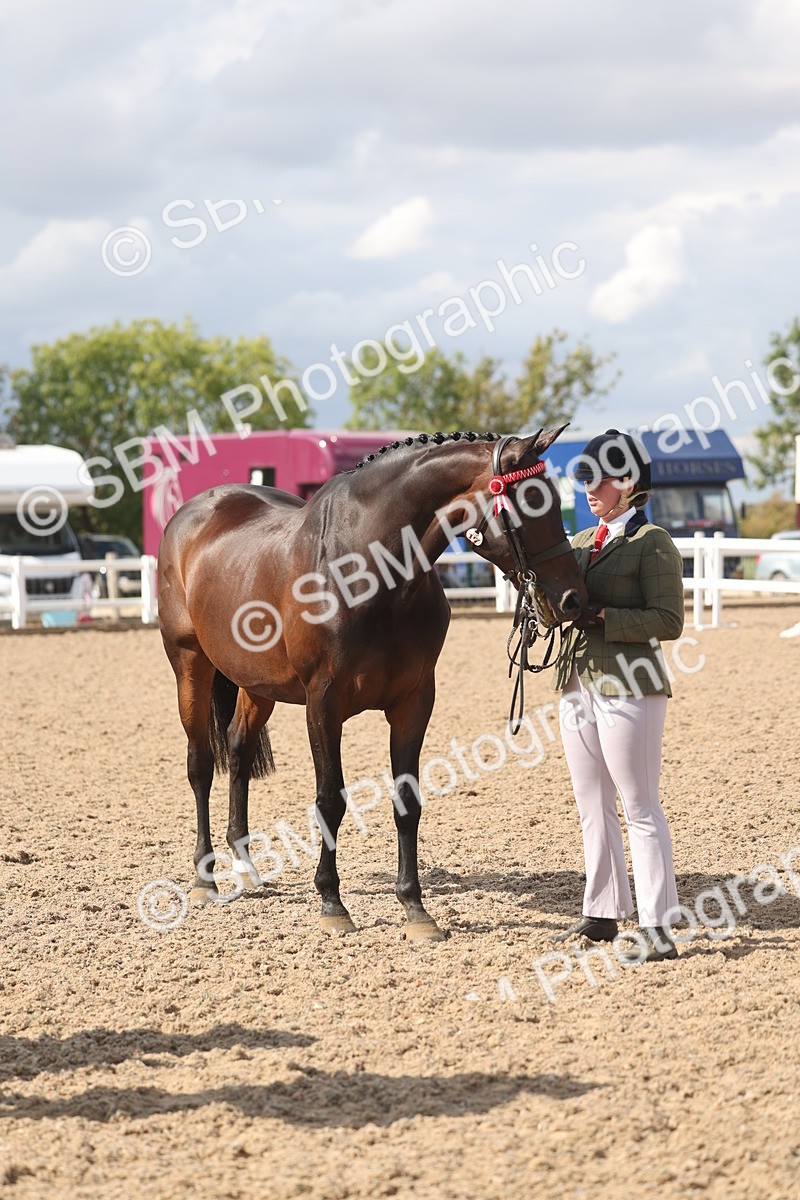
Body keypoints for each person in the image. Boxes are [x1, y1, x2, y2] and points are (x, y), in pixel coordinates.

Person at [552, 430, 685, 962]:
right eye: (586, 477)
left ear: (628, 484)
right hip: (576, 681)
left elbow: (669, 619)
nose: (590, 487)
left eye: (600, 478)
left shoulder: (652, 541)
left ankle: (658, 925)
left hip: (631, 681)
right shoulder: (581, 544)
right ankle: (602, 910)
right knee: (592, 804)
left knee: (640, 805)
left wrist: (606, 617)